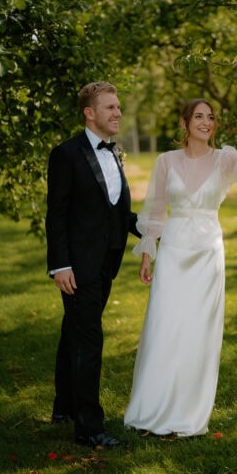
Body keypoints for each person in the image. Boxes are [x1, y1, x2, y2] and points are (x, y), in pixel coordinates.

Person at [124, 99, 237, 437]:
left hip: (207, 254)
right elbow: (154, 212)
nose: (206, 122)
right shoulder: (165, 161)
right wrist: (146, 254)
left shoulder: (225, 159)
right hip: (172, 252)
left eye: (210, 117)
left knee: (199, 334)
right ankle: (150, 407)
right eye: (198, 116)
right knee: (163, 328)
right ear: (184, 124)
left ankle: (188, 412)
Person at [46, 81, 140, 449]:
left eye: (118, 107)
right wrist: (61, 265)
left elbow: (114, 209)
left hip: (107, 262)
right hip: (78, 266)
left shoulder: (114, 151)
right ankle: (89, 427)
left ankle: (64, 406)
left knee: (75, 332)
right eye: (111, 108)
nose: (118, 113)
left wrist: (150, 229)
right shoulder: (66, 153)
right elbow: (57, 215)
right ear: (90, 113)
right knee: (88, 340)